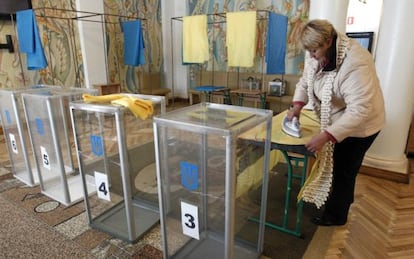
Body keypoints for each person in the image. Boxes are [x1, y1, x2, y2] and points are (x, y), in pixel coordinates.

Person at [287, 19, 386, 226]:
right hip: (342, 116)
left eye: (314, 50)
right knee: (338, 166)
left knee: (344, 169)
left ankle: (336, 216)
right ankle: (338, 200)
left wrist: (326, 135)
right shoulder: (315, 53)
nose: (312, 55)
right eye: (309, 51)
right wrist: (297, 106)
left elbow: (360, 110)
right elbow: (305, 82)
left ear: (328, 42)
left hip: (363, 125)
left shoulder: (356, 62)